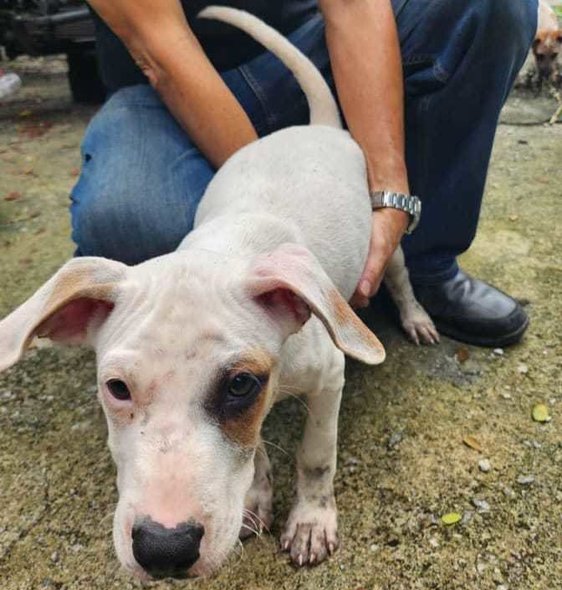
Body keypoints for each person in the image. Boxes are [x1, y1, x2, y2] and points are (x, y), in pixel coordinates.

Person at [71, 0, 536, 347]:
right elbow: (163, 51)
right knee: (127, 222)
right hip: (162, 97)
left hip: (304, 51)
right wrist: (283, 204)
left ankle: (425, 264)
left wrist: (388, 191)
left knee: (492, 6)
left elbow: (354, 7)